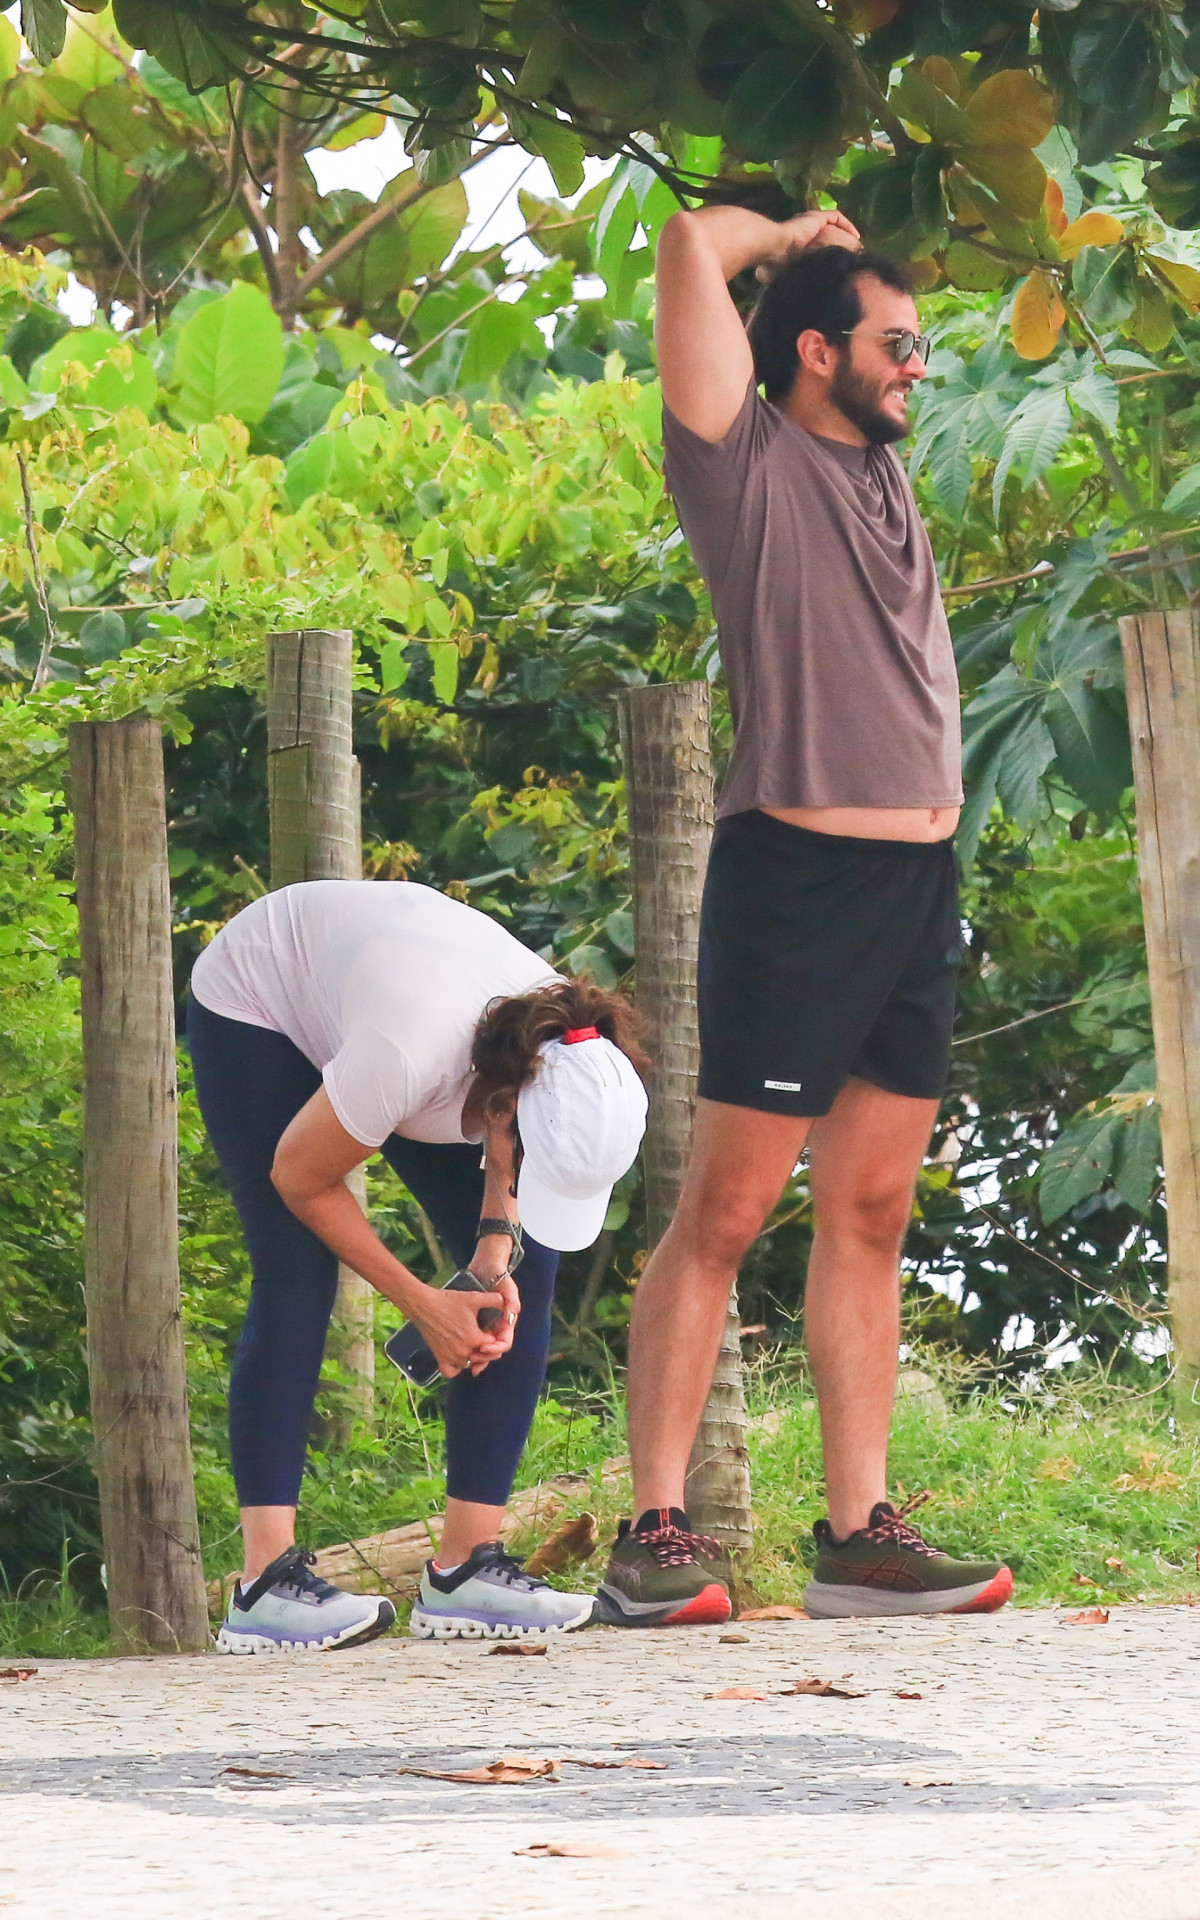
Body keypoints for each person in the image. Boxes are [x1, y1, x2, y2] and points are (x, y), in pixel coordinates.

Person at [595, 206, 1013, 1627]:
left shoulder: (884, 471)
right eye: (897, 345)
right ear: (817, 352)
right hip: (796, 881)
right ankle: (655, 1539)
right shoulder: (744, 464)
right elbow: (681, 248)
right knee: (723, 1212)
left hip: (917, 889)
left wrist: (835, 270)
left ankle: (857, 1538)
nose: (918, 368)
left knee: (874, 1211)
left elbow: (856, 340)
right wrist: (777, 235)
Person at [187, 879, 648, 1650]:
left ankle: (466, 1571)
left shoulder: (566, 1051)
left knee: (521, 1269)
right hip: (263, 997)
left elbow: (512, 1144)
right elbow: (300, 1179)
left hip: (396, 1000)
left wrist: (493, 1248)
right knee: (297, 1265)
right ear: (499, 1106)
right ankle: (263, 1587)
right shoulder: (408, 1056)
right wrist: (421, 1302)